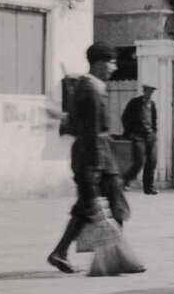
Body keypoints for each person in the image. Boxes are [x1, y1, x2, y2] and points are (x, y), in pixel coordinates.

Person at [47, 43, 141, 275]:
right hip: (98, 159)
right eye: (111, 62)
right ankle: (114, 258)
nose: (114, 68)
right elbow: (90, 131)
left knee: (87, 208)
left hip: (93, 157)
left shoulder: (87, 86)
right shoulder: (90, 89)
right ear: (99, 63)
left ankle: (61, 252)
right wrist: (95, 167)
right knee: (116, 208)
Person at [121, 83, 159, 194]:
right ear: (144, 91)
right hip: (138, 136)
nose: (150, 94)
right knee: (139, 160)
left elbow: (154, 119)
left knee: (152, 161)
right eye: (148, 91)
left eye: (152, 92)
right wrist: (129, 133)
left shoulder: (152, 104)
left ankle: (149, 187)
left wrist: (154, 132)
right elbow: (125, 117)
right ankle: (126, 180)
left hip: (150, 136)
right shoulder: (135, 102)